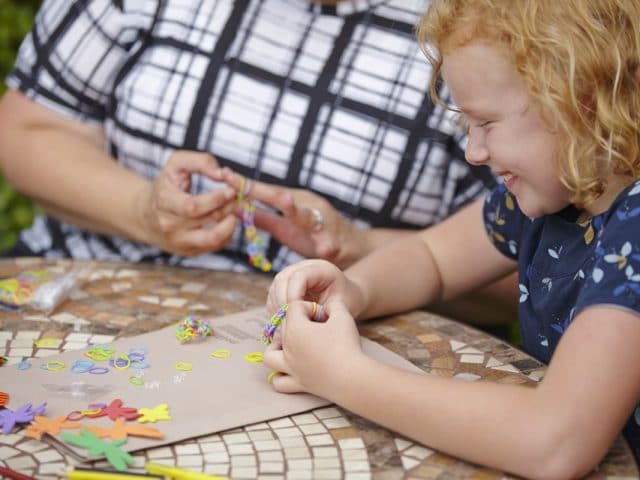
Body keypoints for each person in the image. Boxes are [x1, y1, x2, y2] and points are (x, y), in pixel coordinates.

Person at [263, 0, 640, 477]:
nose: (474, 151)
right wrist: (352, 288)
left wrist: (344, 375)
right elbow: (432, 258)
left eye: (485, 123)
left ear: (578, 100)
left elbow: (555, 439)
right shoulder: (560, 189)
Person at [0, 0, 494, 275]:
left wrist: (362, 247)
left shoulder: (472, 23)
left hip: (328, 346)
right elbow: (27, 130)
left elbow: (523, 254)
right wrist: (141, 212)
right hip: (79, 287)